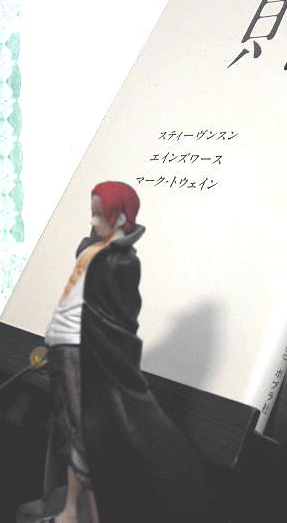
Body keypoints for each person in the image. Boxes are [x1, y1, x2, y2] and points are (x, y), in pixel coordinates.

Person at [44, 181, 207, 522]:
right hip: (76, 353)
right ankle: (71, 512)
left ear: (119, 218)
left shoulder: (123, 263)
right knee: (76, 441)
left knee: (96, 445)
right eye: (92, 213)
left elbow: (121, 314)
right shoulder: (91, 250)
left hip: (102, 360)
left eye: (98, 214)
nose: (92, 221)